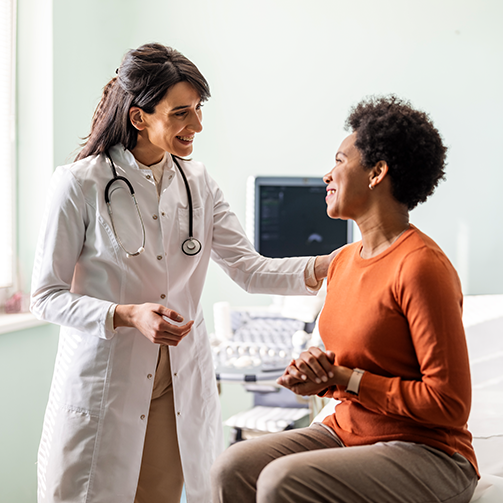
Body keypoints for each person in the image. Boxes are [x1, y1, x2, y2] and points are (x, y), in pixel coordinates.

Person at [30, 43, 337, 503]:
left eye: (197, 110)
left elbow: (249, 270)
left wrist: (334, 264)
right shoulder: (78, 184)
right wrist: (128, 314)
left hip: (175, 387)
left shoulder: (199, 183)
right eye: (180, 113)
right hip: (106, 385)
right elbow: (45, 296)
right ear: (139, 118)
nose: (196, 125)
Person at [211, 95, 480, 503]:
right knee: (230, 468)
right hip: (348, 432)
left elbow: (448, 404)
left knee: (280, 481)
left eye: (339, 160)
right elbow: (353, 367)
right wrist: (319, 376)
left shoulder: (422, 266)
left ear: (377, 173)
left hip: (428, 451)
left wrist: (344, 380)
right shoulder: (343, 263)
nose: (327, 174)